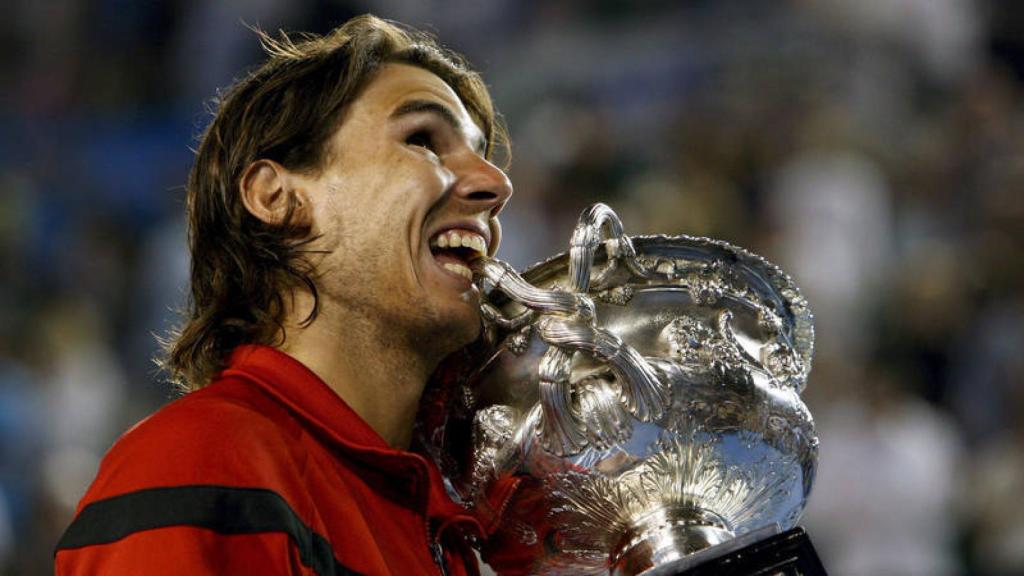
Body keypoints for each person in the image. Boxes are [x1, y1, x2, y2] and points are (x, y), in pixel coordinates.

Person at [54, 14, 513, 576]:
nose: (496, 183)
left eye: (481, 150)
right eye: (422, 139)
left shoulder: (452, 529)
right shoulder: (200, 465)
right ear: (277, 197)